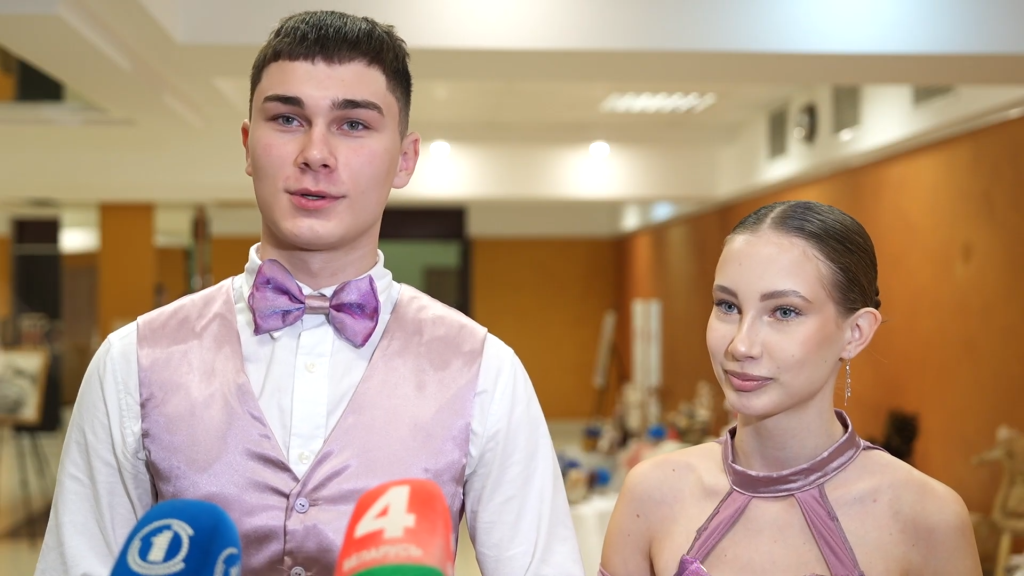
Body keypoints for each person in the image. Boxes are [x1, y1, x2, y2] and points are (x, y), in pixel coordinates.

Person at [36, 10, 584, 576]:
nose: (316, 153)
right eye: (287, 119)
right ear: (248, 146)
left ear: (405, 159)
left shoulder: (485, 370)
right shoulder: (132, 361)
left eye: (354, 124)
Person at [599, 200, 981, 575]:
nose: (741, 346)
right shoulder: (652, 495)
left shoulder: (926, 517)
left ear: (855, 333)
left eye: (784, 312)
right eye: (728, 306)